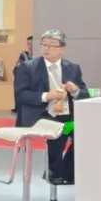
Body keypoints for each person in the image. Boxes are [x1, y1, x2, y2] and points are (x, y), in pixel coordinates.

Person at [15, 29, 89, 184]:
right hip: (42, 116)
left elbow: (85, 95)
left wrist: (75, 90)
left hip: (68, 117)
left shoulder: (73, 68)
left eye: (52, 45)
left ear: (62, 49)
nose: (46, 48)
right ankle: (54, 172)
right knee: (58, 132)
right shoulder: (27, 67)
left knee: (83, 133)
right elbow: (20, 95)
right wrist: (47, 96)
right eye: (44, 45)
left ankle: (65, 172)